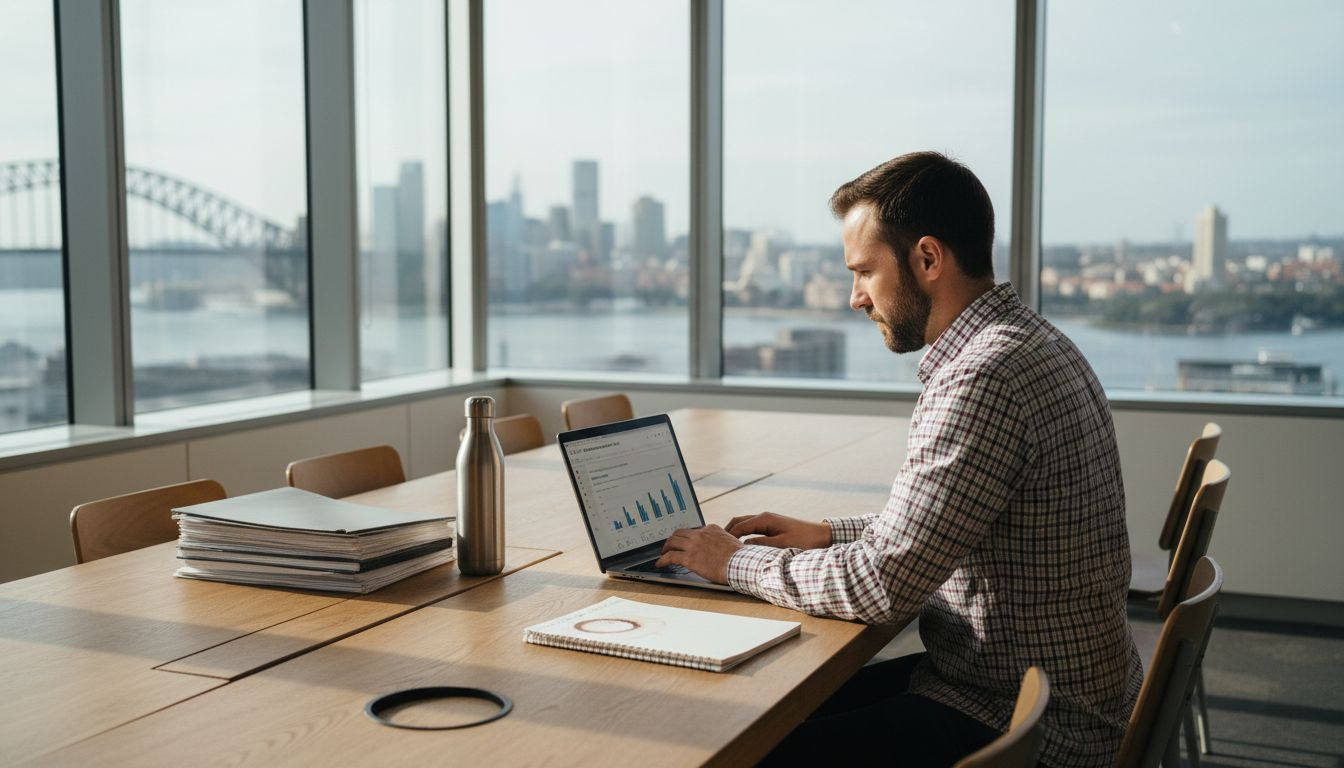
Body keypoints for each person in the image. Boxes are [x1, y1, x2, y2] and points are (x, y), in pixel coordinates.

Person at [656, 151, 1142, 768]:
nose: (854, 298)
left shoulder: (981, 377)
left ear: (929, 259)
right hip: (1043, 693)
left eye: (863, 272)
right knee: (769, 709)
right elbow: (953, 525)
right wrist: (828, 533)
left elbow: (880, 587)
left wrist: (735, 562)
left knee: (745, 741)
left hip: (1022, 725)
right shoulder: (1034, 342)